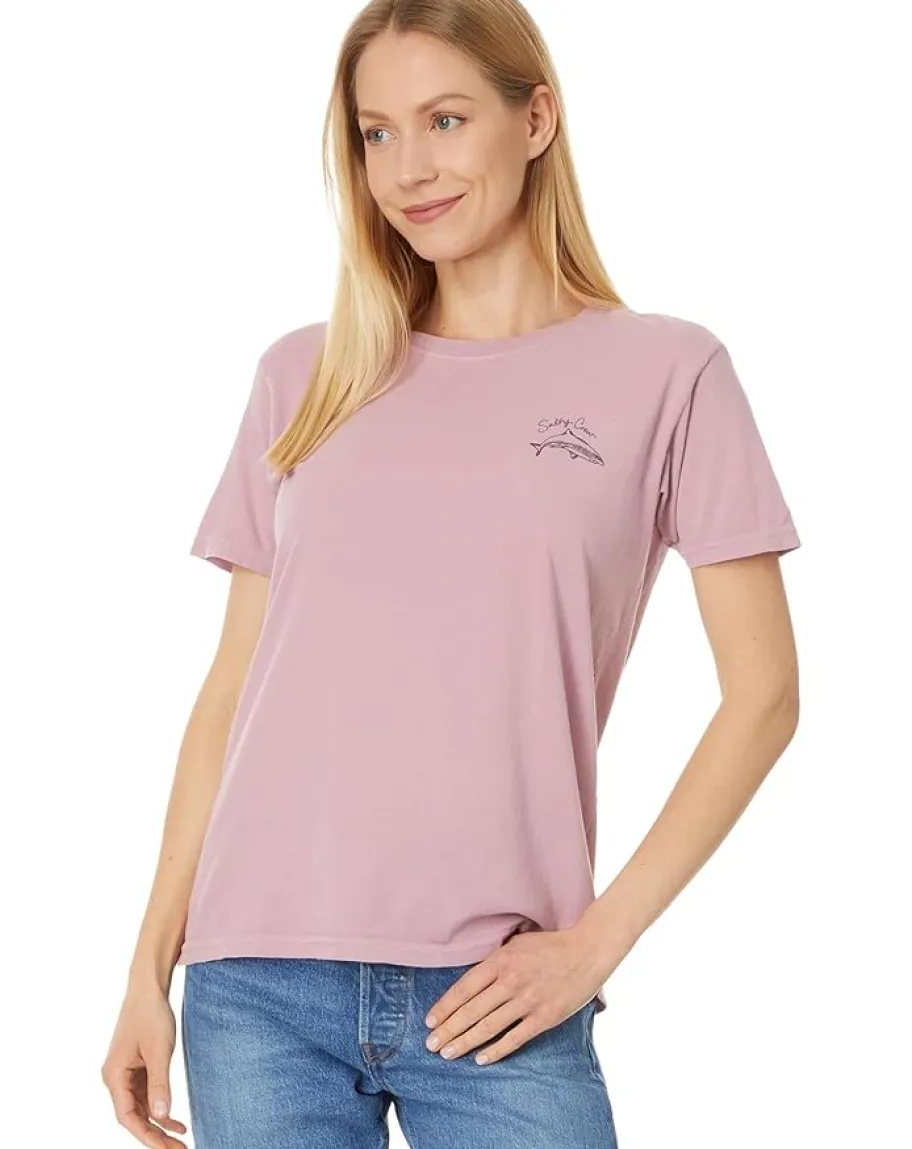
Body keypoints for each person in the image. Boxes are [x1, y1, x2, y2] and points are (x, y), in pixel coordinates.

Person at [101, 1, 802, 1146]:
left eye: (443, 119)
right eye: (375, 133)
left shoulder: (667, 373)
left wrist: (594, 944)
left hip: (503, 993)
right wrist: (147, 966)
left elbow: (763, 693)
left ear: (535, 120)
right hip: (257, 987)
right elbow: (232, 688)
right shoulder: (306, 375)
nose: (407, 169)